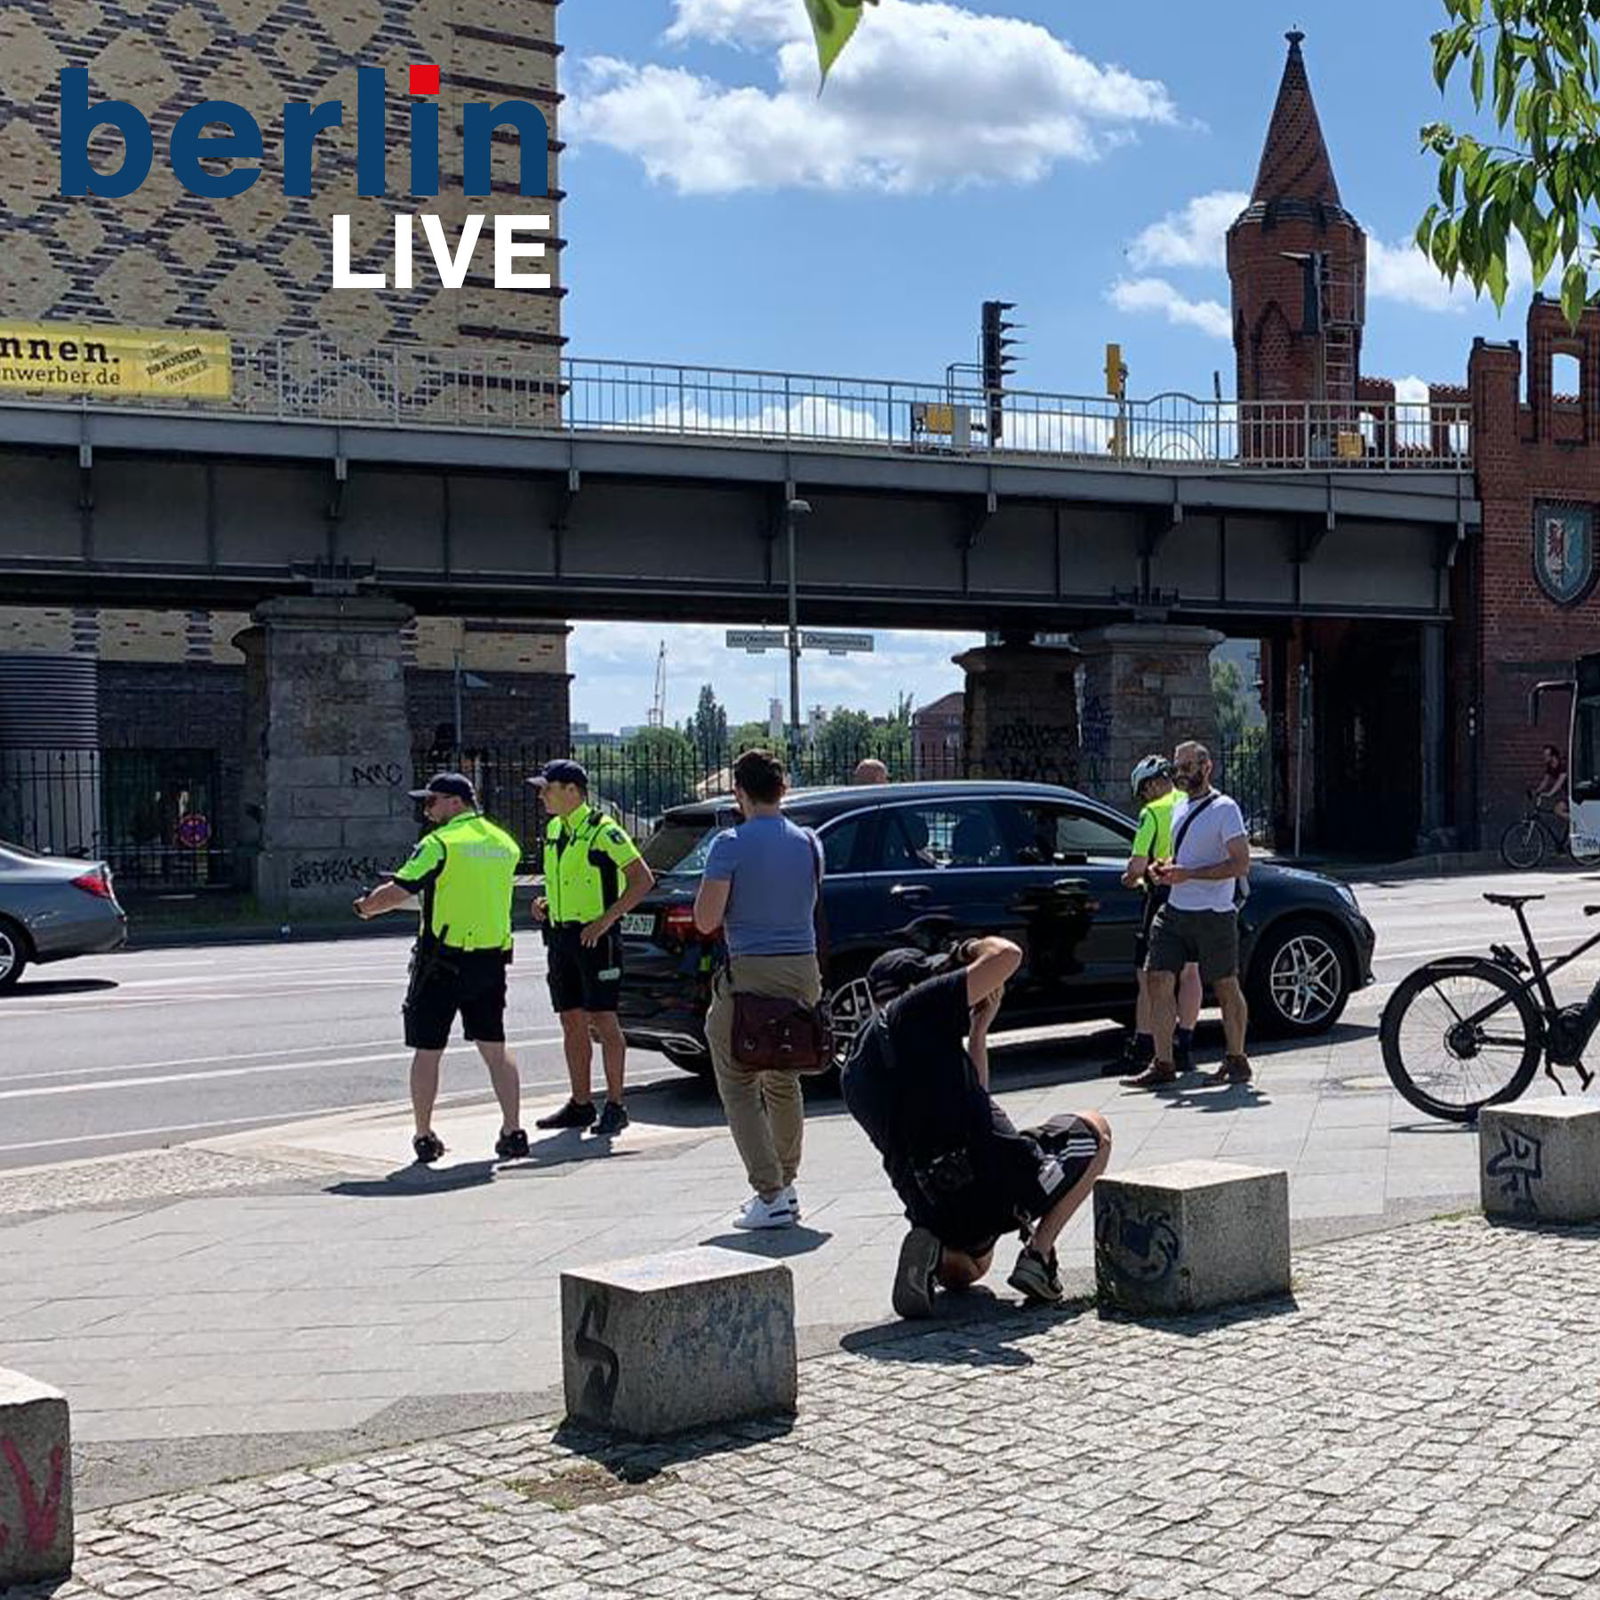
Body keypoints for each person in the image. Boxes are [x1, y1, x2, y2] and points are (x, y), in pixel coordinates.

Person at [843, 936, 1110, 1317]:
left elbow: (975, 1099)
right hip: (998, 1181)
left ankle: (937, 1253)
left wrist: (978, 1031)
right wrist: (962, 949)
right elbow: (1008, 955)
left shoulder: (855, 1065)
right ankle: (1038, 1254)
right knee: (1095, 1130)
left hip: (931, 1202)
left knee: (972, 1268)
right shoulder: (916, 1010)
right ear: (921, 987)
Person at [352, 772, 528, 1165]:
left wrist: (365, 907)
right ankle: (513, 1130)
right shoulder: (505, 844)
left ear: (455, 802)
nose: (426, 809)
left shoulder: (439, 843)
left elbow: (401, 889)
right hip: (490, 961)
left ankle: (424, 1134)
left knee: (428, 1050)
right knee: (495, 1048)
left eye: (430, 802)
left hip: (442, 962)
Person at [694, 748, 823, 1230]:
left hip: (751, 970)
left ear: (739, 793)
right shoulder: (811, 842)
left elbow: (707, 920)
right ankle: (787, 1184)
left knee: (738, 1079)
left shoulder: (729, 843)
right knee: (783, 1075)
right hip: (803, 968)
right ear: (784, 789)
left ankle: (768, 1192)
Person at [528, 759, 655, 1138]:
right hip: (562, 936)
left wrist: (606, 920)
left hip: (596, 938)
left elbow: (641, 880)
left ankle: (616, 1104)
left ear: (571, 790)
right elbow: (564, 880)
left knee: (603, 1019)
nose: (541, 795)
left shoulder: (603, 829)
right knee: (571, 1019)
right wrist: (545, 902)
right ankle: (580, 1103)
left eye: (547, 788)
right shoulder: (554, 829)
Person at [1123, 741, 1252, 1090]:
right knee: (1156, 977)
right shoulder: (1178, 807)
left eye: (1187, 767)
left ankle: (1237, 1059)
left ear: (1206, 767)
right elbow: (1181, 859)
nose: (1180, 774)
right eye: (1177, 767)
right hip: (1176, 909)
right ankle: (1164, 1062)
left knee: (1225, 985)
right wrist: (1160, 870)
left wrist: (1189, 874)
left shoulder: (1225, 808)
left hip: (1214, 913)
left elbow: (1240, 863)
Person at [1114, 755, 1203, 1077]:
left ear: (1151, 784)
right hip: (1195, 895)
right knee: (1190, 972)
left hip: (1162, 897)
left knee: (1149, 976)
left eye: (1143, 791)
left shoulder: (1152, 812)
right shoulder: (1194, 803)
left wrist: (1129, 879)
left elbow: (1137, 867)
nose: (1144, 797)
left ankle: (1143, 1045)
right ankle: (1185, 1045)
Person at [1534, 743, 1570, 821]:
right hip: (1567, 793)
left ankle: (1577, 821)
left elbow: (1560, 781)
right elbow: (1545, 781)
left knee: (1558, 810)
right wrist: (1536, 791)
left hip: (1573, 793)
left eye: (1546, 755)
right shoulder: (1550, 766)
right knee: (1558, 809)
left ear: (1553, 756)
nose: (1544, 757)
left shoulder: (1562, 764)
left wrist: (1550, 793)